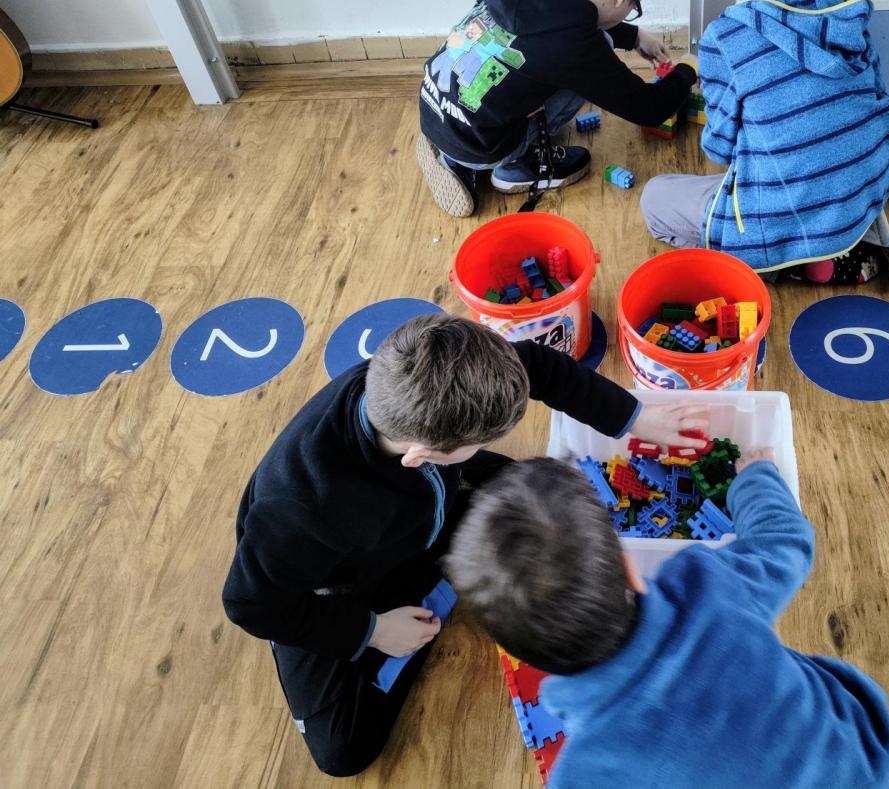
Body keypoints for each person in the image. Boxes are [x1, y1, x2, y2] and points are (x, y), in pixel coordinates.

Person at [221, 313, 706, 776]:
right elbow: (250, 605)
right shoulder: (304, 509)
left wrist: (636, 419)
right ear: (422, 454)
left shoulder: (434, 371)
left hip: (423, 511)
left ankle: (446, 558)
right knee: (343, 750)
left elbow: (540, 366)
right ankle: (433, 578)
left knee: (543, 505)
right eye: (479, 441)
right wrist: (371, 631)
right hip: (332, 583)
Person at [446, 451, 889, 788]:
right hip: (865, 767)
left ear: (524, 655)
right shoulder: (709, 586)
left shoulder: (580, 773)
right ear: (630, 570)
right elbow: (785, 540)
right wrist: (757, 476)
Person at [640, 0, 889, 288]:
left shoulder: (725, 38)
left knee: (655, 198)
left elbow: (720, 150)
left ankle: (779, 261)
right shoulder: (843, 8)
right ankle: (827, 253)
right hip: (861, 190)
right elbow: (875, 93)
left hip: (782, 213)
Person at [416, 0, 698, 217]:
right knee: (598, 51)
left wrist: (634, 36)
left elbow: (569, 17)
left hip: (434, 105)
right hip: (479, 145)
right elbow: (649, 109)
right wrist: (688, 69)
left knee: (571, 56)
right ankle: (517, 164)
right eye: (634, 6)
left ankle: (449, 149)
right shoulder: (575, 44)